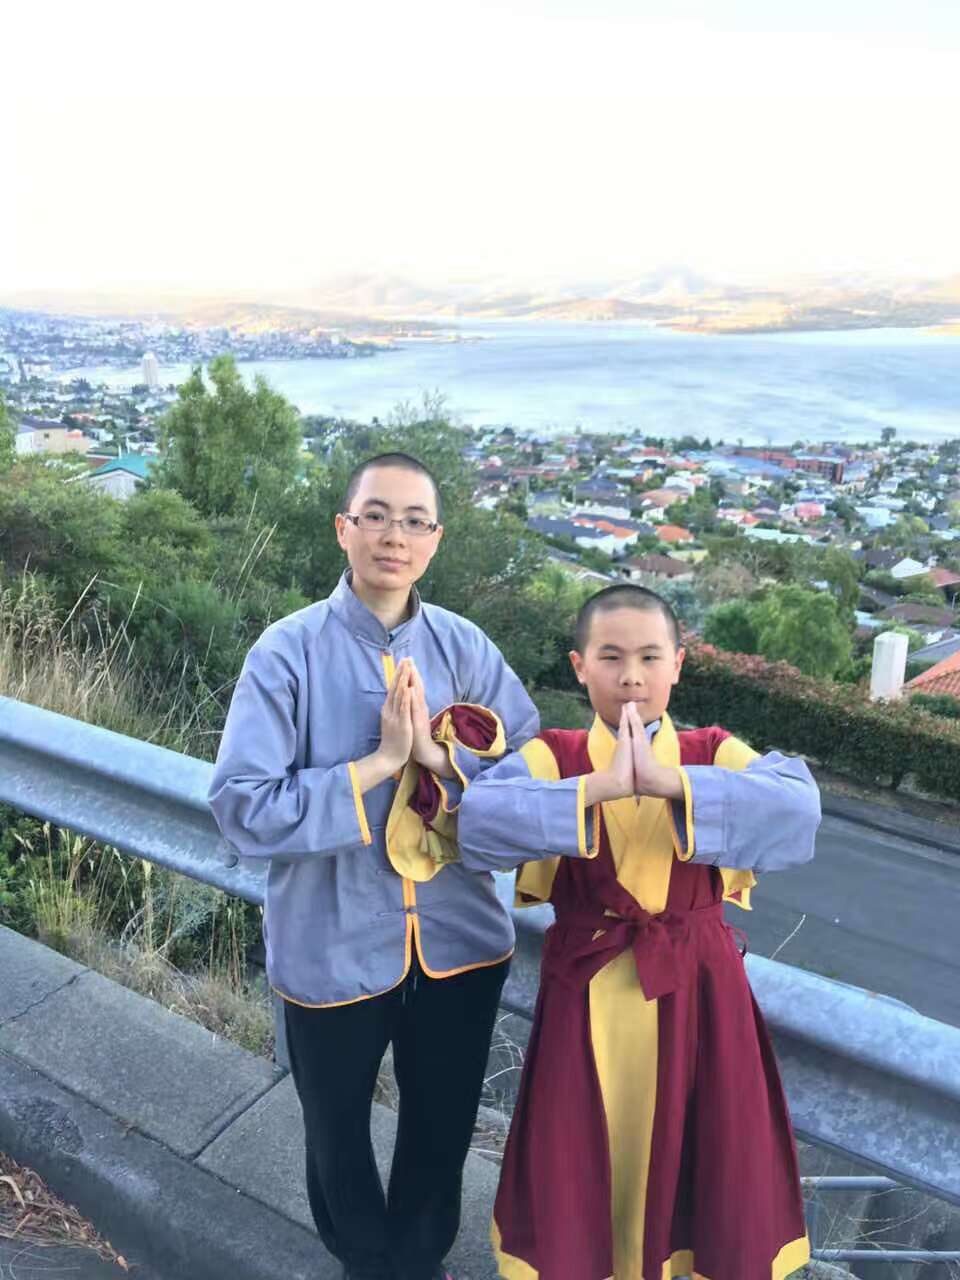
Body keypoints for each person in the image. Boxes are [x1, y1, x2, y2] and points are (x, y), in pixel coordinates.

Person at [207, 452, 538, 1280]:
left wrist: (440, 758)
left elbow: (532, 780)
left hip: (460, 942)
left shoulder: (466, 648)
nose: (395, 536)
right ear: (343, 529)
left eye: (415, 521)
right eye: (377, 516)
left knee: (442, 1129)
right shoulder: (287, 653)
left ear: (436, 540)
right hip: (331, 942)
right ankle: (364, 1263)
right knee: (336, 1134)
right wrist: (378, 765)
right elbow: (242, 806)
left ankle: (417, 1264)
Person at [457, 583, 821, 1280]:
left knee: (703, 1156)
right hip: (586, 990)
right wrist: (598, 788)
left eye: (650, 656)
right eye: (611, 656)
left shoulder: (711, 751)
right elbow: (477, 824)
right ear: (579, 666)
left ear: (677, 664)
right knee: (580, 1154)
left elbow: (798, 811)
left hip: (699, 992)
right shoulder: (555, 754)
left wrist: (671, 784)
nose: (631, 676)